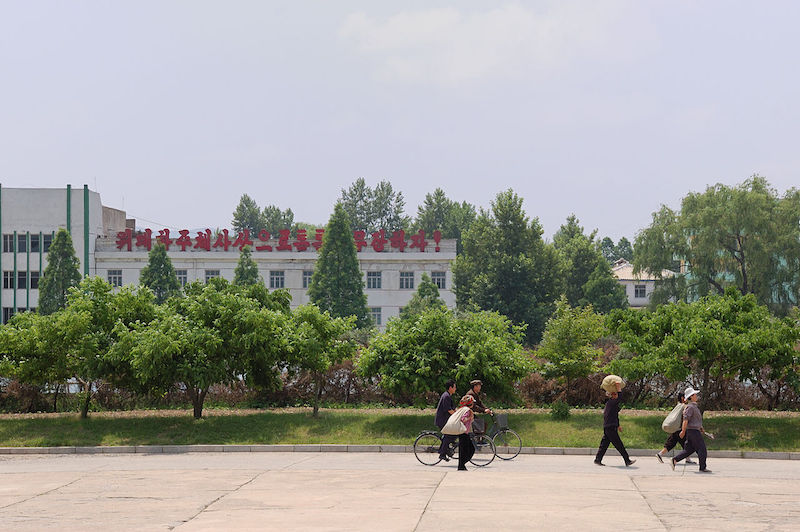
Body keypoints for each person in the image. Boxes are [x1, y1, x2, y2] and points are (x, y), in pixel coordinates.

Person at [671, 387, 712, 473]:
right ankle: (702, 467)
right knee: (702, 449)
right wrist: (683, 431)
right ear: (691, 396)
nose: (696, 396)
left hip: (694, 431)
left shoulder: (694, 406)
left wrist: (700, 427)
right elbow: (685, 420)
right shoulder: (690, 407)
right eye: (694, 394)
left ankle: (675, 460)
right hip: (693, 432)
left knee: (689, 450)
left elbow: (695, 420)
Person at [594, 384, 636, 467]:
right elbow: (620, 398)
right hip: (610, 427)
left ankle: (598, 459)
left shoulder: (611, 404)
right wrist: (618, 388)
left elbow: (615, 416)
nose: (616, 395)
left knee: (604, 445)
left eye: (616, 394)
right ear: (612, 396)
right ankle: (627, 460)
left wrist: (618, 425)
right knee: (619, 444)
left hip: (608, 426)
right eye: (615, 394)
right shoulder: (612, 402)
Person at [656, 390, 695, 464]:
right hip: (680, 429)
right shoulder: (684, 406)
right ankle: (685, 459)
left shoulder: (678, 405)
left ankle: (660, 454)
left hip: (676, 428)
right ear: (683, 398)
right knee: (686, 444)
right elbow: (685, 418)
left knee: (672, 443)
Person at [435, 380, 457, 461]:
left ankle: (445, 449)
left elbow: (453, 408)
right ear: (450, 388)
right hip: (442, 420)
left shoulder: (448, 396)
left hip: (445, 420)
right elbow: (449, 410)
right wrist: (457, 415)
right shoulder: (446, 396)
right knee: (448, 435)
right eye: (454, 387)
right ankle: (442, 454)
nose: (455, 389)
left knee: (451, 434)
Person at [456, 395, 476, 471]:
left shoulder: (463, 409)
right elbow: (463, 419)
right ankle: (461, 465)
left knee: (464, 449)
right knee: (470, 449)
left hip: (464, 432)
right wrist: (470, 417)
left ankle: (461, 465)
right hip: (463, 432)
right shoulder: (467, 410)